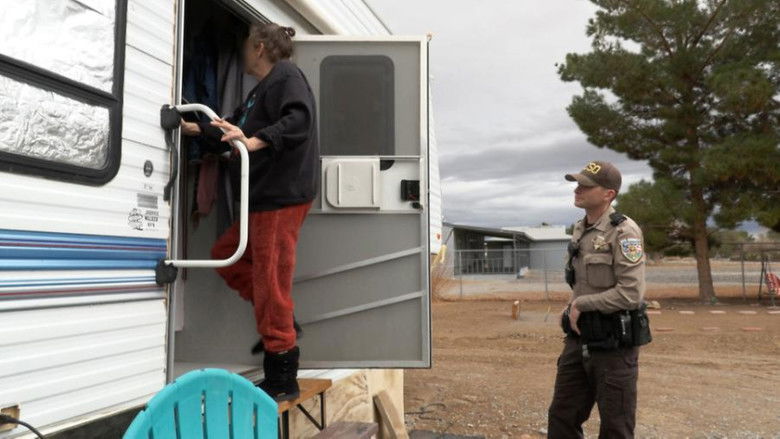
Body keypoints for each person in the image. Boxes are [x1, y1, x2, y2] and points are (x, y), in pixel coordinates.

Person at [180, 22, 318, 402]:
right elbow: (232, 127)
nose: (241, 52)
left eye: (245, 45)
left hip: (280, 196)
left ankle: (282, 376)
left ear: (259, 47)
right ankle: (284, 323)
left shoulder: (287, 77)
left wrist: (256, 141)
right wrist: (196, 128)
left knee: (271, 281)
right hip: (263, 198)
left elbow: (299, 119)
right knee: (227, 257)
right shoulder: (260, 91)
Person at [547, 161, 651, 438]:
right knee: (562, 417)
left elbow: (630, 293)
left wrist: (581, 304)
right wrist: (574, 301)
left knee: (616, 425)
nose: (578, 189)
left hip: (613, 343)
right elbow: (583, 282)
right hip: (579, 339)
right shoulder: (580, 229)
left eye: (586, 185)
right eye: (577, 184)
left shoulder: (624, 231)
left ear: (609, 194)